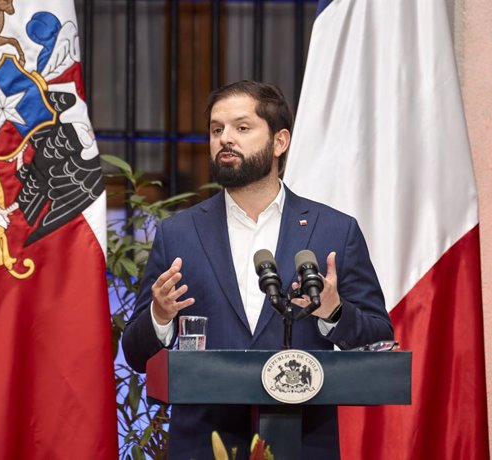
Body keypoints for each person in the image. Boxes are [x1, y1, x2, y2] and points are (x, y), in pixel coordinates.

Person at [122, 80, 393, 460]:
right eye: (217, 130)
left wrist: (335, 312)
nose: (225, 139)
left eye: (241, 128)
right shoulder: (178, 234)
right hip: (203, 445)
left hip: (302, 444)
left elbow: (379, 339)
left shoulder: (334, 230)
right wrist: (160, 316)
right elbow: (134, 353)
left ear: (280, 142)